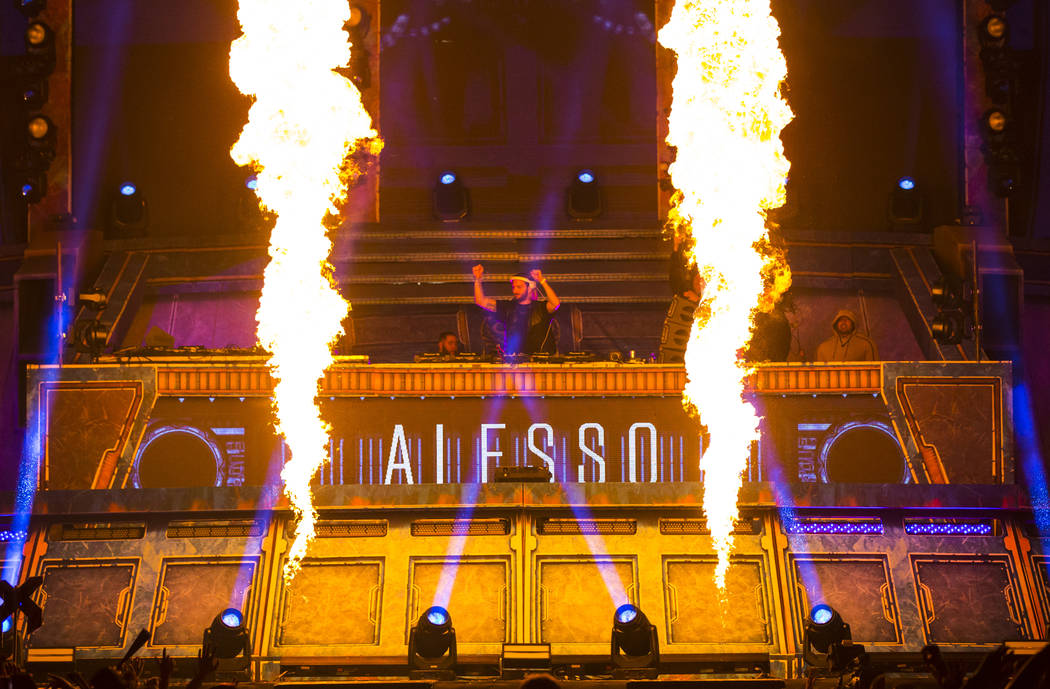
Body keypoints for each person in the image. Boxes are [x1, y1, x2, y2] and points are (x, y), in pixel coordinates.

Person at [473, 264, 560, 355]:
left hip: (542, 360)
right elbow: (480, 301)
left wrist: (542, 281)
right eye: (513, 287)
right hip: (516, 360)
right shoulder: (507, 307)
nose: (515, 291)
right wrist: (478, 280)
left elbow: (555, 303)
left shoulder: (541, 307)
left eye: (519, 287)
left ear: (530, 287)